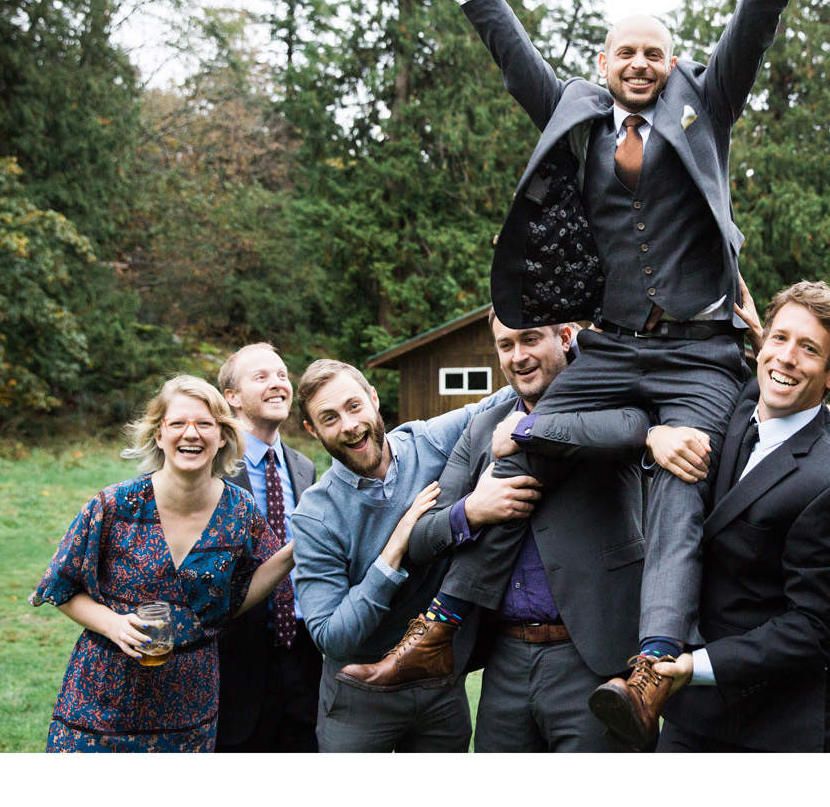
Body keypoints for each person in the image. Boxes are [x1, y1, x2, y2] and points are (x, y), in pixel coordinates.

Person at [361, 0, 828, 728]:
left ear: (673, 62)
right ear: (603, 63)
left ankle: (653, 665)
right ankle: (439, 623)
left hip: (699, 348)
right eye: (626, 52)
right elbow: (512, 56)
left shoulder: (705, 105)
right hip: (611, 345)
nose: (641, 64)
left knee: (683, 471)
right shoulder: (574, 114)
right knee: (519, 449)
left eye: (656, 52)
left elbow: (756, 19)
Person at [359, 310, 655, 751]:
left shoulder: (611, 406)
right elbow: (422, 538)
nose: (518, 356)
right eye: (505, 345)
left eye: (530, 339)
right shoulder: (483, 427)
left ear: (566, 337)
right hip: (505, 658)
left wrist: (527, 431)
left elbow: (634, 434)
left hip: (592, 654)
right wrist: (472, 511)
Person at [641, 280, 830, 752]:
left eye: (809, 349)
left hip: (771, 728)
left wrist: (698, 665)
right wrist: (656, 435)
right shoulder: (744, 401)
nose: (786, 357)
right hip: (692, 719)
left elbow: (810, 628)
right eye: (780, 338)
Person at [30, 375, 295, 752]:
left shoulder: (240, 511)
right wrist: (113, 625)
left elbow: (241, 594)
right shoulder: (114, 506)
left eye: (205, 424)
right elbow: (59, 586)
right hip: (101, 704)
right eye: (178, 423)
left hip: (189, 709)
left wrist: (293, 553)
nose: (192, 433)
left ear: (222, 436)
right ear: (159, 434)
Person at [286, 358, 512, 752]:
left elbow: (509, 395)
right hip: (358, 695)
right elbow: (331, 636)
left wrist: (583, 340)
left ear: (374, 399)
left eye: (354, 406)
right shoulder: (315, 515)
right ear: (312, 430)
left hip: (440, 687)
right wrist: (395, 548)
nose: (350, 425)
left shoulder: (430, 441)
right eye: (329, 418)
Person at [213, 342, 323, 752]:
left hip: (303, 647)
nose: (277, 384)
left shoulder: (303, 466)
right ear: (232, 397)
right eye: (261, 377)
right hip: (236, 653)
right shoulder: (212, 465)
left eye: (281, 375)